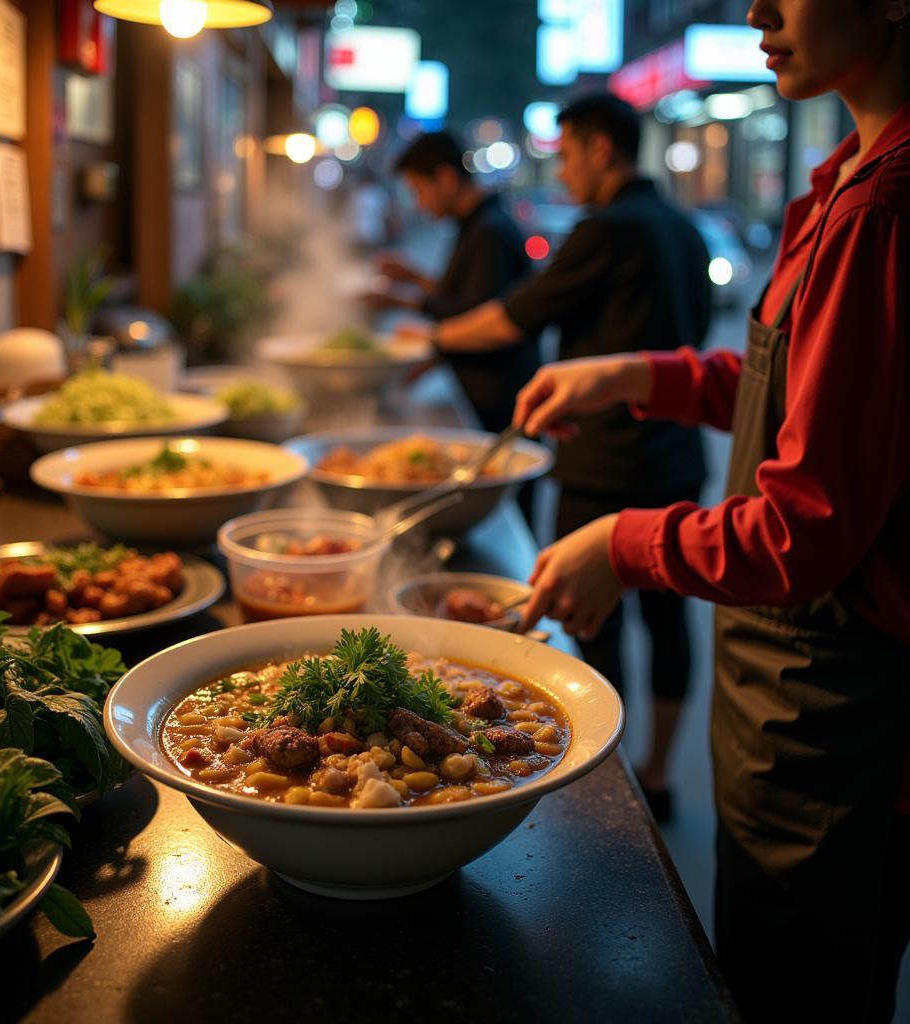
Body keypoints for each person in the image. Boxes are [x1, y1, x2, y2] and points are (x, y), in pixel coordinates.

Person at [514, 1, 910, 1019]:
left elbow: (803, 526)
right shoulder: (842, 180)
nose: (754, 11)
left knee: (796, 992)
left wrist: (622, 542)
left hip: (834, 699)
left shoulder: (884, 207)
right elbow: (807, 401)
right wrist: (642, 374)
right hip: (791, 676)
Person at [417, 94, 710, 820]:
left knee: (593, 618)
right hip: (676, 451)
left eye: (570, 152)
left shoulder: (605, 228)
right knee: (669, 619)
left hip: (605, 459)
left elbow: (518, 314)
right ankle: (658, 772)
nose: (565, 168)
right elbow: (694, 339)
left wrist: (432, 338)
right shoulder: (684, 227)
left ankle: (608, 772)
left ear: (602, 149)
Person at [378, 131, 541, 439]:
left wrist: (408, 310)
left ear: (446, 177)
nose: (419, 204)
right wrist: (413, 278)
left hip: (502, 396)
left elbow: (480, 315)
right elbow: (462, 293)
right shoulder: (475, 224)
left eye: (418, 190)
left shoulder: (489, 230)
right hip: (488, 391)